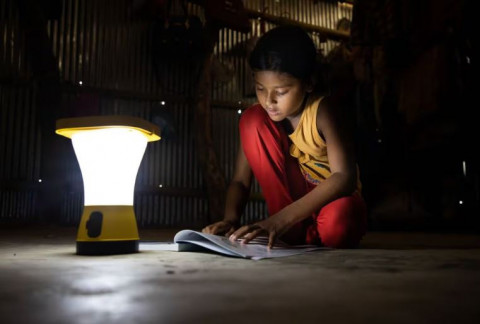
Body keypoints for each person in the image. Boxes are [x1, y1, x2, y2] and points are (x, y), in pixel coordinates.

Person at [202, 26, 367, 249]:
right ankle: (293, 233)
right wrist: (230, 220)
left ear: (309, 82)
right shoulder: (264, 121)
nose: (269, 100)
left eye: (280, 92)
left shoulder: (323, 111)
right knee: (252, 119)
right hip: (291, 205)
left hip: (331, 199)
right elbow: (240, 181)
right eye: (260, 88)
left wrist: (278, 221)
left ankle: (294, 230)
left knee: (341, 220)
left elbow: (344, 177)